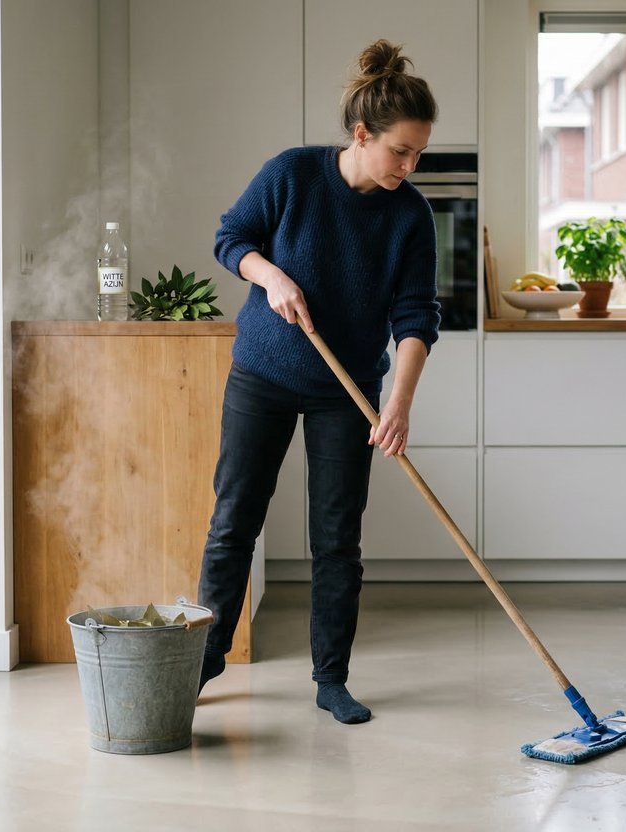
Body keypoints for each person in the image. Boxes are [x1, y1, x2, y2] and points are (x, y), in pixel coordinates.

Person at [196, 39, 441, 725]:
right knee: (234, 520)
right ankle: (206, 659)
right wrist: (268, 274)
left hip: (348, 390)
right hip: (265, 372)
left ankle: (331, 679)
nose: (409, 166)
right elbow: (231, 237)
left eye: (419, 153)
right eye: (400, 151)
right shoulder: (294, 175)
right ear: (361, 135)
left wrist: (399, 401)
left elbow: (418, 314)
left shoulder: (410, 215)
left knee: (338, 537)